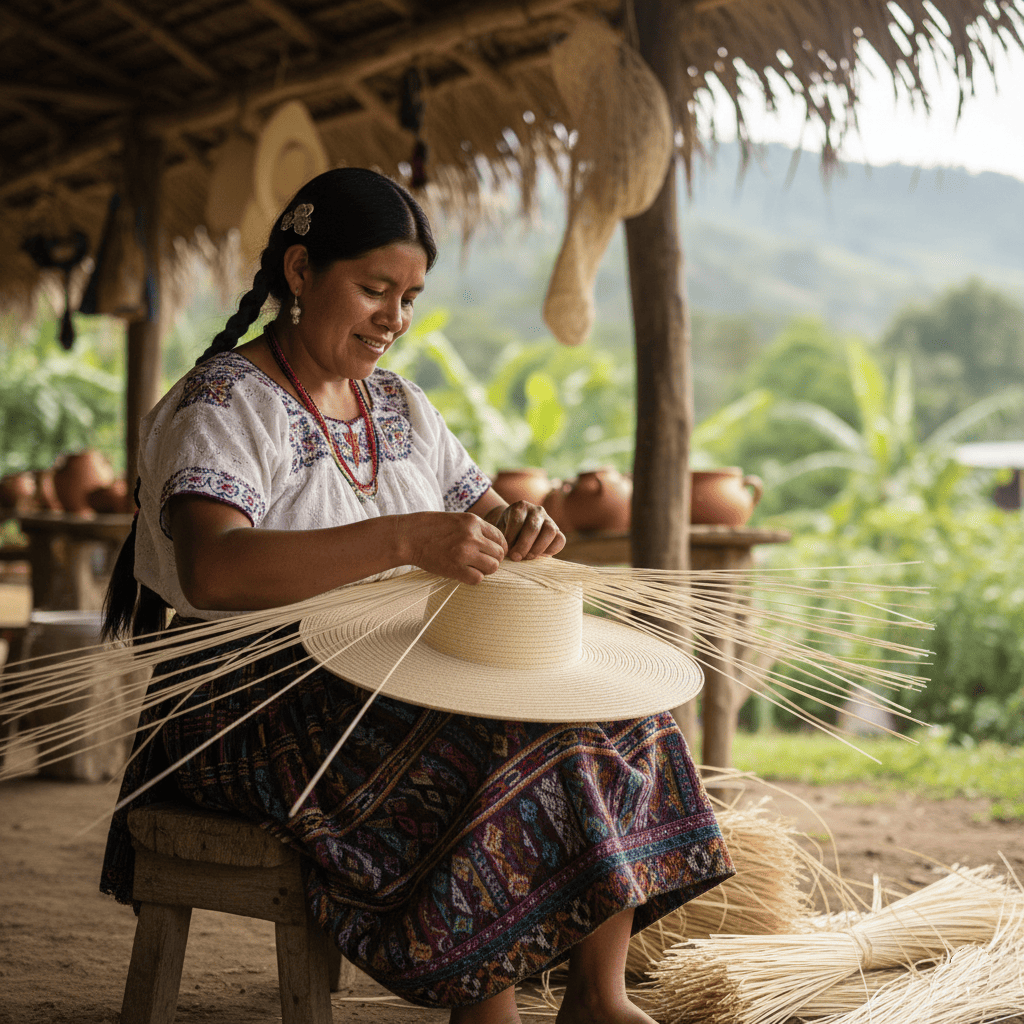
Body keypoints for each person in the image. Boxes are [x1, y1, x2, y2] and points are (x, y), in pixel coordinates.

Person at [100, 167, 733, 1022]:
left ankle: (597, 994)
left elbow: (485, 512)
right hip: (254, 703)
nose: (395, 318)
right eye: (373, 290)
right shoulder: (221, 402)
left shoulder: (401, 405)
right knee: (508, 745)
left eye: (409, 296)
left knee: (626, 718)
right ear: (298, 273)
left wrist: (521, 528)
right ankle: (486, 1007)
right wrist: (404, 539)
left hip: (390, 672)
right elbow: (216, 570)